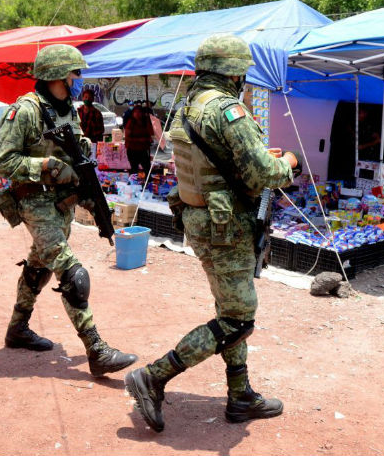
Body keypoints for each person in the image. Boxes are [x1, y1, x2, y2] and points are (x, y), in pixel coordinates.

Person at [125, 33, 299, 432]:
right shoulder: (226, 109)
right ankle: (153, 376)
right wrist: (287, 163)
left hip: (200, 220)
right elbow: (261, 174)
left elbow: (217, 159)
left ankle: (240, 396)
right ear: (233, 73)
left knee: (229, 310)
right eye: (242, 73)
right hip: (225, 228)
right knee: (239, 318)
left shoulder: (191, 104)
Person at [0, 44, 137, 377]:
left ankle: (18, 328)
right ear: (57, 75)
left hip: (60, 205)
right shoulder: (25, 111)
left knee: (38, 267)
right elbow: (3, 161)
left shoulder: (67, 111)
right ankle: (96, 349)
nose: (77, 82)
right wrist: (47, 166)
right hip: (33, 203)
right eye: (74, 74)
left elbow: (77, 151)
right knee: (72, 274)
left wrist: (85, 190)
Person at [123, 101, 154, 175]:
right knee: (134, 170)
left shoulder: (145, 122)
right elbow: (127, 138)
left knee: (147, 168)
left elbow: (151, 133)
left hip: (143, 150)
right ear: (133, 114)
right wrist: (139, 140)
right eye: (135, 112)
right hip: (133, 150)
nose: (137, 114)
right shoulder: (131, 122)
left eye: (139, 112)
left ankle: (147, 182)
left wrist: (148, 119)